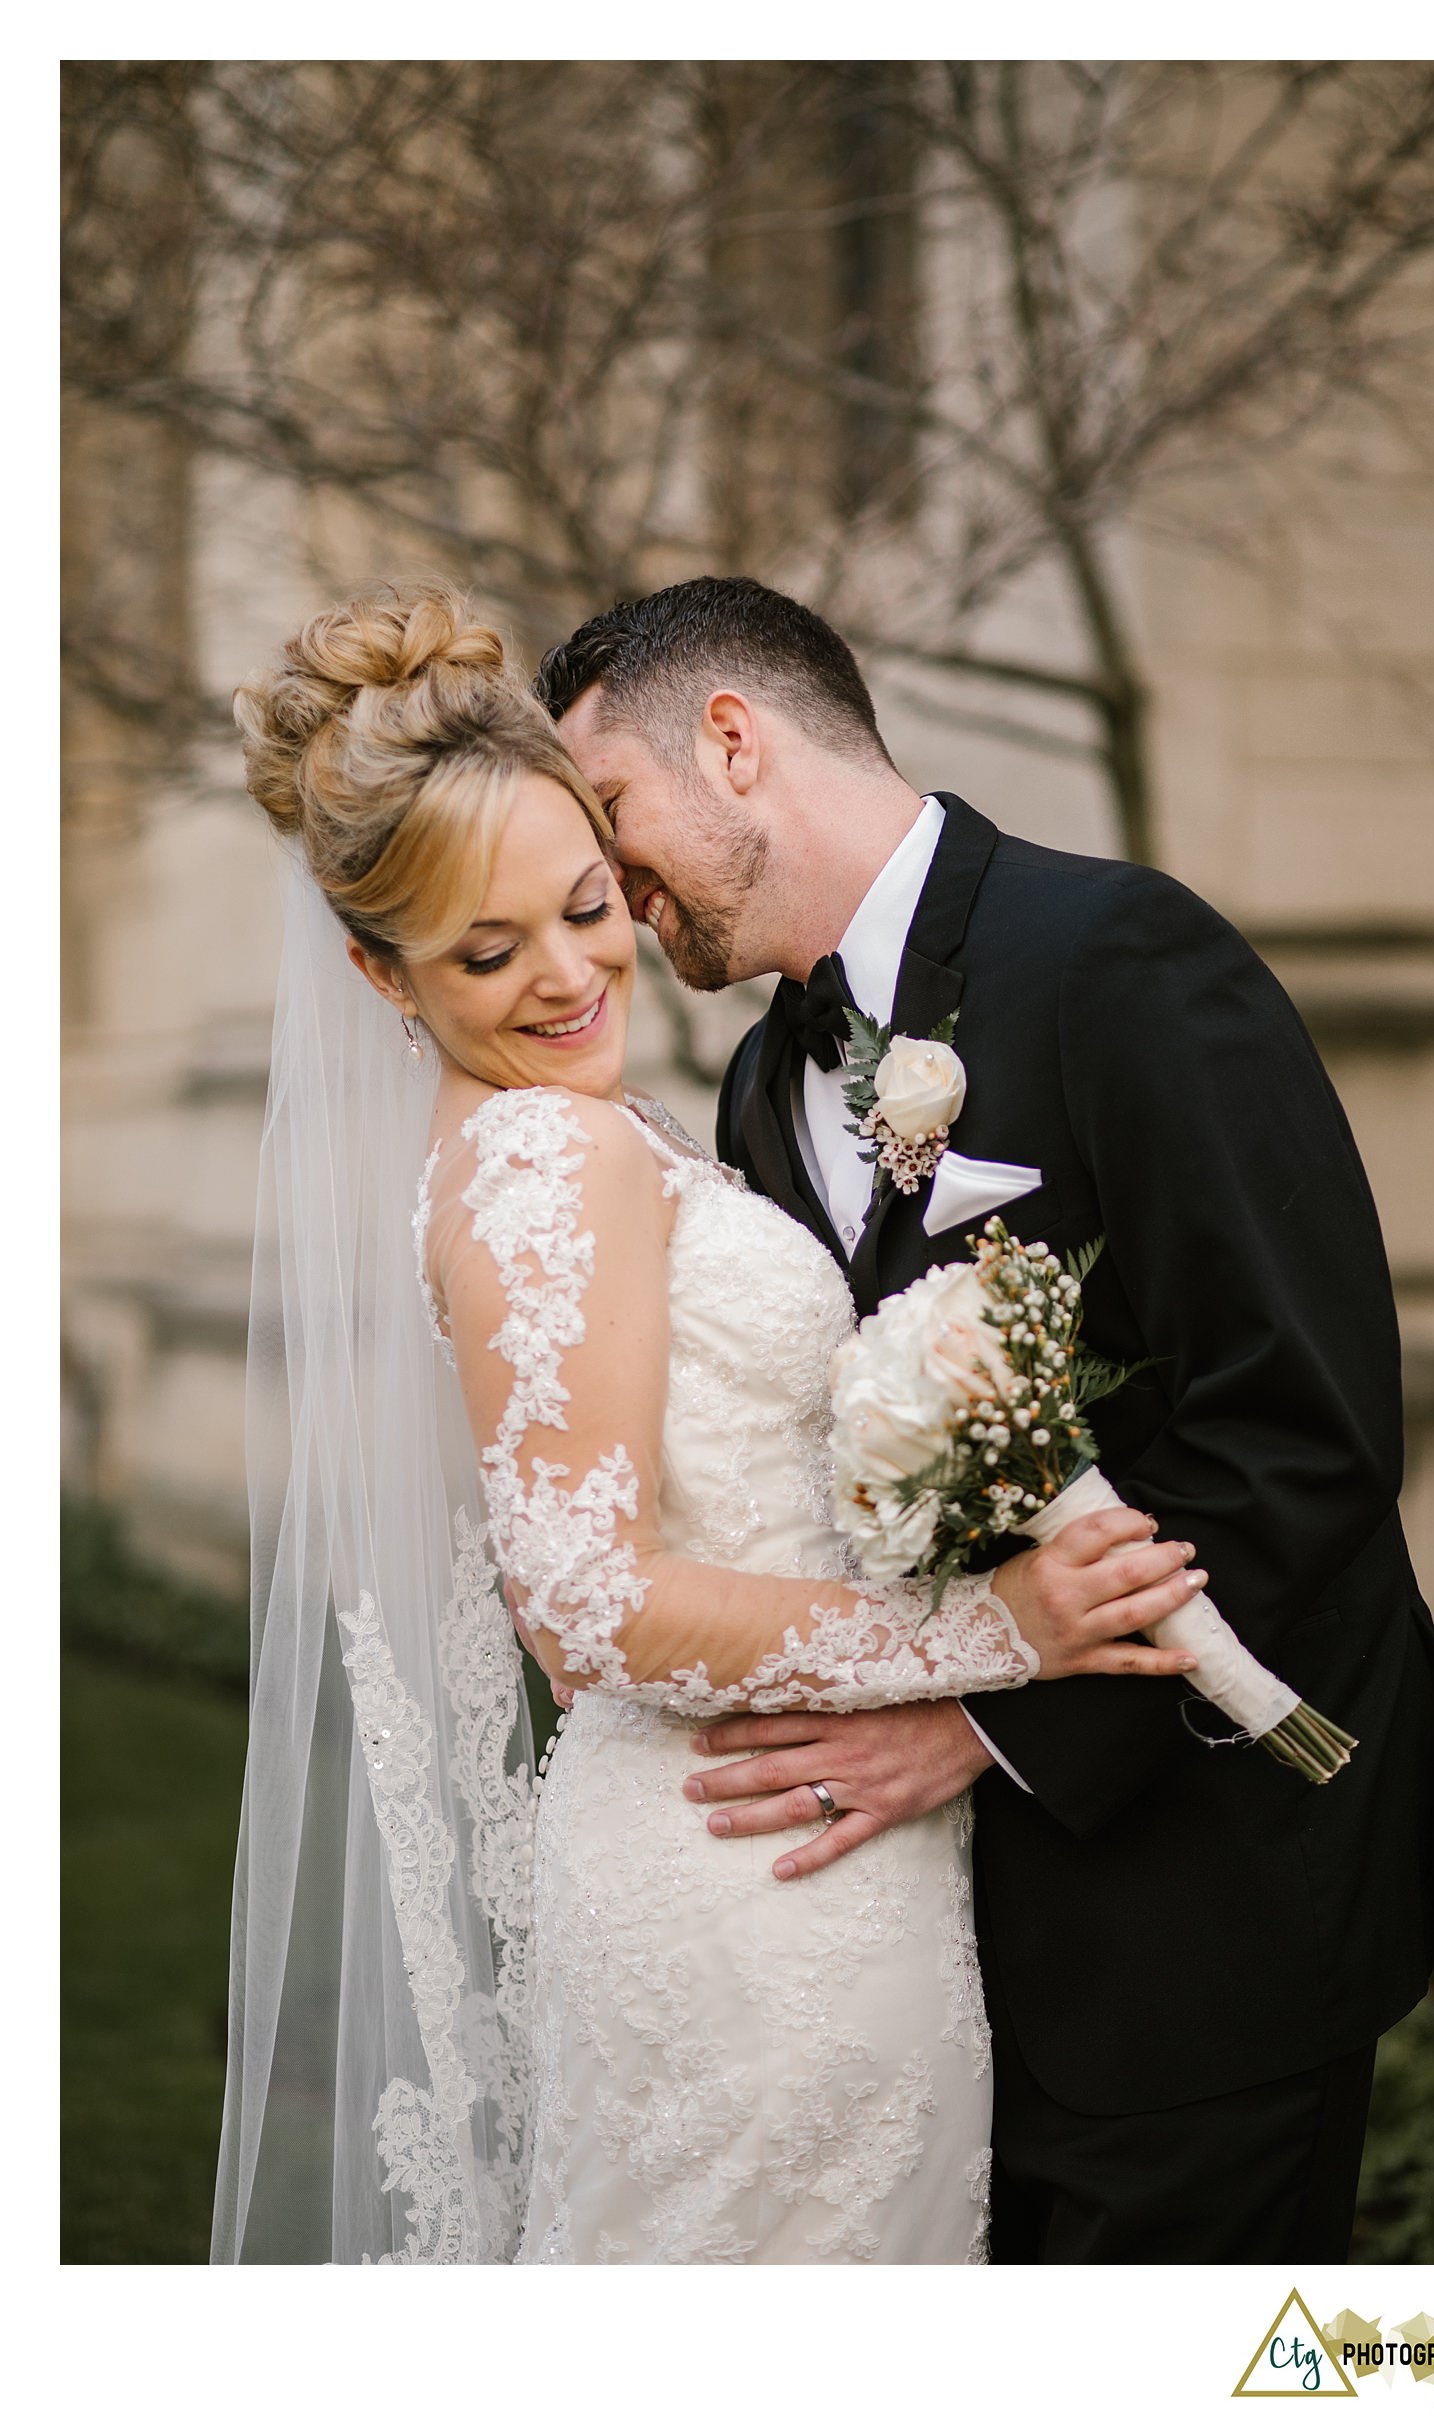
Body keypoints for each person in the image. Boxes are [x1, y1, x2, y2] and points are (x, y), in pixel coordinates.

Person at [210, 579, 1201, 2267]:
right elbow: (588, 1606)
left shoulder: (608, 1127)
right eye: (483, 950)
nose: (569, 972)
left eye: (585, 903)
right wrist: (996, 1629)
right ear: (383, 976)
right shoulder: (553, 1155)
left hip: (780, 1838)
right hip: (745, 1873)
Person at [533, 573, 1434, 2264]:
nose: (605, 887)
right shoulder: (762, 1083)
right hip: (946, 1966)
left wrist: (983, 1733)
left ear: (734, 743)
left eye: (608, 813)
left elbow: (1300, 1427)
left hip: (1213, 1887)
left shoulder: (1122, 955)